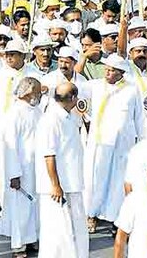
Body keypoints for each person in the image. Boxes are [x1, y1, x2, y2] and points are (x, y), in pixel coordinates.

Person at [83, 54, 144, 230]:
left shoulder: (132, 90)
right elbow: (75, 88)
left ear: (121, 73)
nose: (108, 73)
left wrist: (142, 141)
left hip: (121, 144)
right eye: (107, 69)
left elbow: (139, 118)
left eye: (112, 71)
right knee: (95, 179)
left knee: (118, 181)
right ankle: (91, 214)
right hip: (98, 143)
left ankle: (115, 217)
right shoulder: (95, 86)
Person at [36, 82, 89, 258]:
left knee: (74, 229)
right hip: (57, 187)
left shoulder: (68, 116)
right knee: (58, 233)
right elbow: (48, 155)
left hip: (71, 183)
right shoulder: (51, 119)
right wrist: (55, 185)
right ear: (73, 98)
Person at [0, 77, 43, 258]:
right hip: (21, 169)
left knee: (35, 205)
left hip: (37, 167)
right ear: (27, 92)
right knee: (20, 207)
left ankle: (32, 238)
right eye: (37, 92)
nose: (39, 96)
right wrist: (14, 174)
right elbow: (10, 146)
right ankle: (18, 246)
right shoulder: (14, 113)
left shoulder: (37, 111)